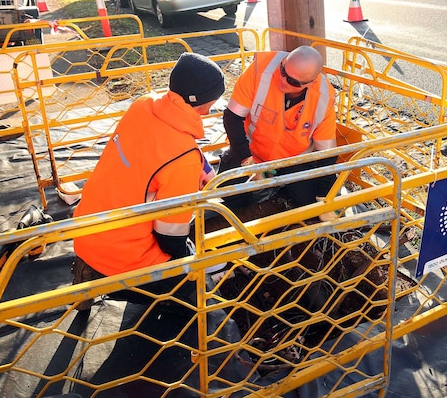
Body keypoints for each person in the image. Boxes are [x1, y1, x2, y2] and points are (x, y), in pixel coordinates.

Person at [72, 52, 225, 309]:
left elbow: (162, 152)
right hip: (126, 259)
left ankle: (87, 270)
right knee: (195, 287)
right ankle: (115, 281)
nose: (211, 109)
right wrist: (188, 260)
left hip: (87, 231)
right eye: (212, 102)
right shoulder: (182, 156)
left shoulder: (143, 105)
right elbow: (170, 237)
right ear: (201, 102)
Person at [219, 45, 338, 210]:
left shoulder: (324, 96)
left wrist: (324, 196)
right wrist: (249, 161)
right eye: (283, 70)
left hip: (294, 161)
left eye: (292, 82)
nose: (282, 81)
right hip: (251, 152)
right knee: (228, 195)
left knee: (311, 204)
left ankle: (280, 189)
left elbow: (328, 154)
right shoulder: (260, 70)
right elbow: (232, 118)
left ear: (311, 83)